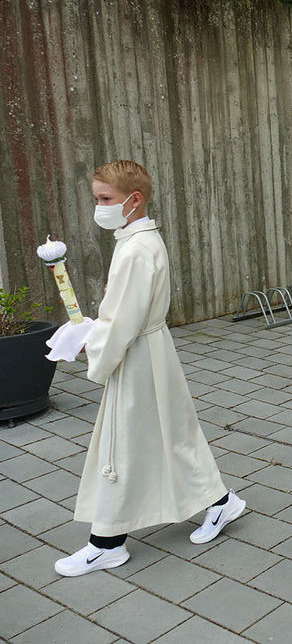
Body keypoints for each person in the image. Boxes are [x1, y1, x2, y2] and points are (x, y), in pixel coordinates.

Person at [54, 161, 245, 577]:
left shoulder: (137, 249)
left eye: (105, 199)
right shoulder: (137, 240)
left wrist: (89, 341)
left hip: (138, 354)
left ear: (133, 199)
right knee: (166, 435)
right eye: (97, 199)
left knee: (122, 444)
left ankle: (107, 543)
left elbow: (123, 318)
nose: (99, 207)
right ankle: (220, 501)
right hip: (148, 349)